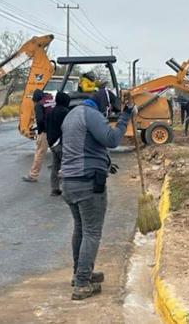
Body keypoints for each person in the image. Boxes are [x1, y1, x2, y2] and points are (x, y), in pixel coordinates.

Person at [60, 95, 133, 300]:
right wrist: (125, 117)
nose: (108, 114)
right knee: (92, 232)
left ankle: (80, 273)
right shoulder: (91, 115)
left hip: (69, 181)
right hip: (87, 182)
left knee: (81, 229)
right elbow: (111, 140)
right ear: (106, 105)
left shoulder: (72, 115)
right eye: (110, 110)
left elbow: (88, 145)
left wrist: (105, 162)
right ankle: (82, 283)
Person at [44, 92, 72, 196]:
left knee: (56, 166)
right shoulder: (65, 112)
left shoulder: (50, 112)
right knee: (67, 166)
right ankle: (67, 190)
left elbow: (46, 126)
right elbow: (69, 128)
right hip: (61, 143)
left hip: (52, 143)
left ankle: (55, 189)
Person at [22, 89, 52, 183]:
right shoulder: (50, 100)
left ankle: (33, 175)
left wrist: (40, 133)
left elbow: (39, 120)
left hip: (46, 131)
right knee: (58, 152)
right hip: (56, 130)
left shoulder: (39, 104)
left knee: (39, 153)